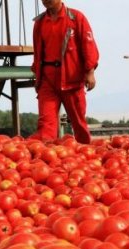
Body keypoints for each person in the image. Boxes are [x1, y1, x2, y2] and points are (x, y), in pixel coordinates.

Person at [30, 0, 99, 144]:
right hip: (47, 79)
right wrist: (38, 75)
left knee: (79, 122)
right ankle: (47, 157)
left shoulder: (76, 18)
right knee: (46, 123)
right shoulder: (40, 23)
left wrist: (90, 71)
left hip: (71, 79)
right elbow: (37, 52)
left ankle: (85, 152)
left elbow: (88, 45)